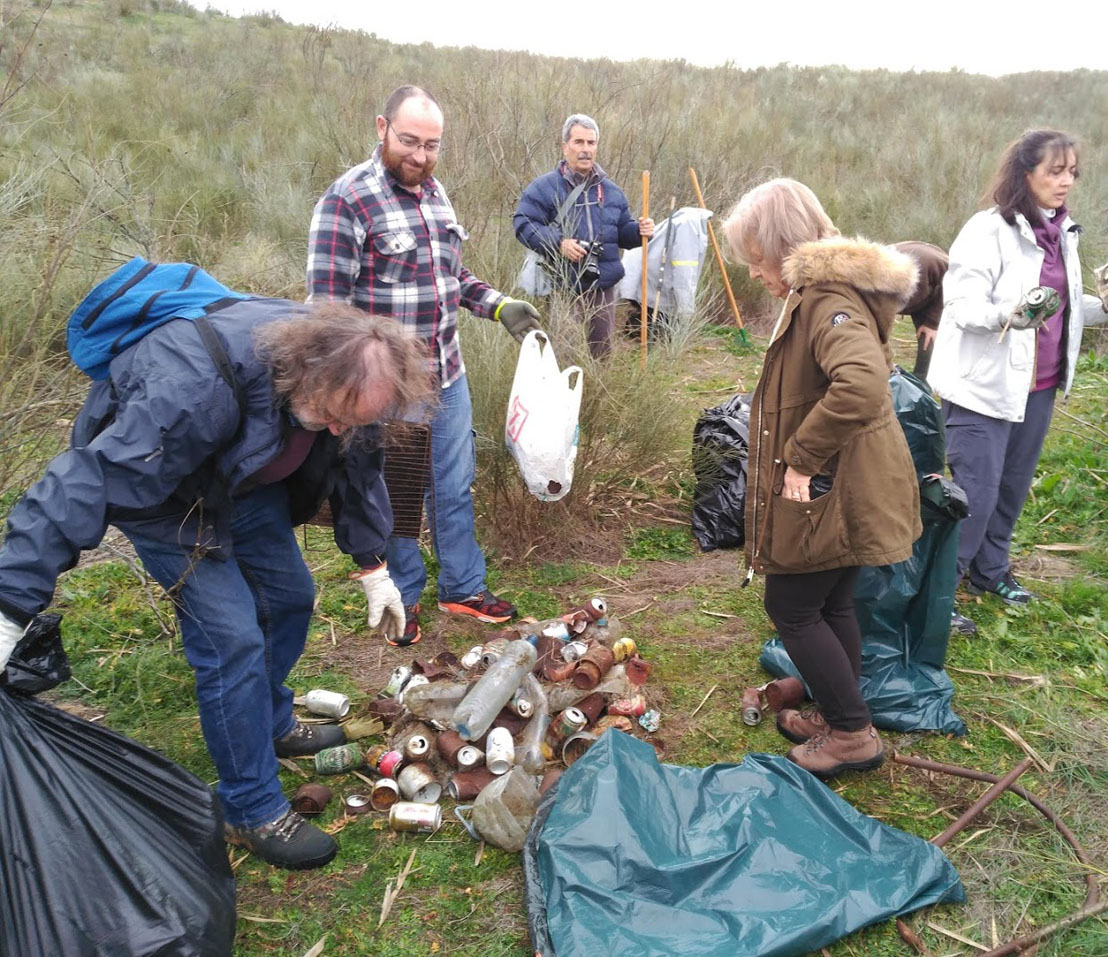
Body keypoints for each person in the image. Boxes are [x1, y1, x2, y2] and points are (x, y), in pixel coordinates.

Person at [0, 293, 434, 870]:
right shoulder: (195, 384)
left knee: (291, 599)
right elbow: (87, 481)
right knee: (231, 640)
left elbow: (352, 466)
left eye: (351, 421)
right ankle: (250, 807)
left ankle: (271, 723)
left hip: (240, 488)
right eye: (332, 413)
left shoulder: (347, 393)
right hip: (166, 500)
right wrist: (9, 604)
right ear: (305, 369)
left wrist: (373, 565)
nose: (336, 427)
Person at [308, 85, 541, 642]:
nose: (419, 155)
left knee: (455, 486)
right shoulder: (346, 200)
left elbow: (449, 278)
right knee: (397, 495)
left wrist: (499, 305)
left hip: (448, 374)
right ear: (382, 127)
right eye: (409, 141)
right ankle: (404, 597)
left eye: (431, 145)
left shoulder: (435, 194)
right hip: (386, 387)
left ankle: (462, 588)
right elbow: (325, 313)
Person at [723, 178, 921, 778]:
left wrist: (802, 458)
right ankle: (840, 715)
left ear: (783, 245)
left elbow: (860, 383)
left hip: (833, 483)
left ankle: (852, 735)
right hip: (847, 482)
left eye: (757, 259)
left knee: (792, 607)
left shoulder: (825, 300)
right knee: (834, 601)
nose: (754, 273)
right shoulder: (826, 292)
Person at [929, 129, 1108, 611]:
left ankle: (990, 572)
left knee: (1011, 489)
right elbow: (962, 306)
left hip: (1038, 386)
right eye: (1055, 171)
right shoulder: (988, 230)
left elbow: (1066, 306)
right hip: (982, 387)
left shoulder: (1062, 233)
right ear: (1024, 173)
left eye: (1072, 172)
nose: (1066, 181)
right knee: (975, 497)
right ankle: (938, 594)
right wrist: (1011, 314)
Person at [513, 113, 654, 358]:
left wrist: (640, 231)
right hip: (564, 287)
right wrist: (559, 243)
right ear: (565, 146)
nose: (585, 149)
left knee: (602, 356)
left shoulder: (612, 192)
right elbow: (523, 224)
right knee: (564, 357)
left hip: (603, 288)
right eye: (579, 142)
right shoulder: (544, 187)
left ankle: (597, 396)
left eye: (591, 143)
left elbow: (623, 233)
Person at [892, 241, 949, 382]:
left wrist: (932, 322)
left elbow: (951, 281)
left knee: (928, 338)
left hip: (934, 294)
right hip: (911, 293)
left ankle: (922, 383)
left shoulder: (931, 262)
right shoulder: (870, 279)